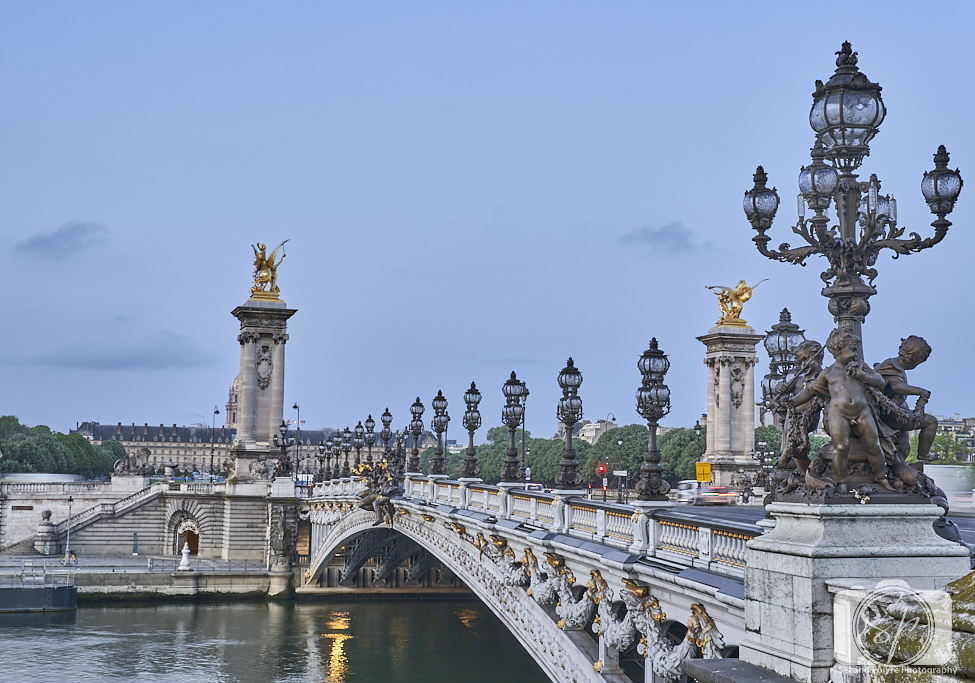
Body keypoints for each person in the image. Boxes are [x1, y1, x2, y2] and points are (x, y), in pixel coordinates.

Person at [790, 329, 893, 492]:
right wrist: (792, 401)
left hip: (862, 412)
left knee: (874, 445)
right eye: (852, 349)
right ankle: (842, 482)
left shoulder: (861, 367)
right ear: (838, 350)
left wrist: (862, 375)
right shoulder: (828, 372)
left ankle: (881, 478)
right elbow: (810, 390)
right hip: (838, 413)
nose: (855, 354)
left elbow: (879, 381)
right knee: (841, 448)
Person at [874, 335, 938, 463]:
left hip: (894, 412)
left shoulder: (892, 364)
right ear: (915, 361)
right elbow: (896, 386)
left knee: (904, 447)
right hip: (890, 415)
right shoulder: (893, 368)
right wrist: (920, 391)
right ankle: (924, 454)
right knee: (931, 422)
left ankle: (896, 469)